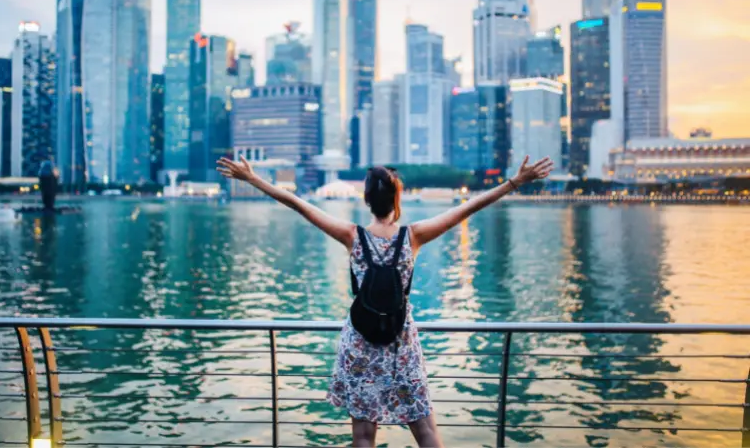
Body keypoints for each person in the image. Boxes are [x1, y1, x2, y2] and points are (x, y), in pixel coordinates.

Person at [217, 155, 554, 448]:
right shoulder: (414, 236)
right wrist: (514, 182)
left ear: (366, 200)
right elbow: (467, 207)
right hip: (400, 345)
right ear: (397, 198)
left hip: (360, 345)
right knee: (425, 430)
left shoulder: (352, 236)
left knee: (363, 435)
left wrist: (252, 178)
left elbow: (298, 204)